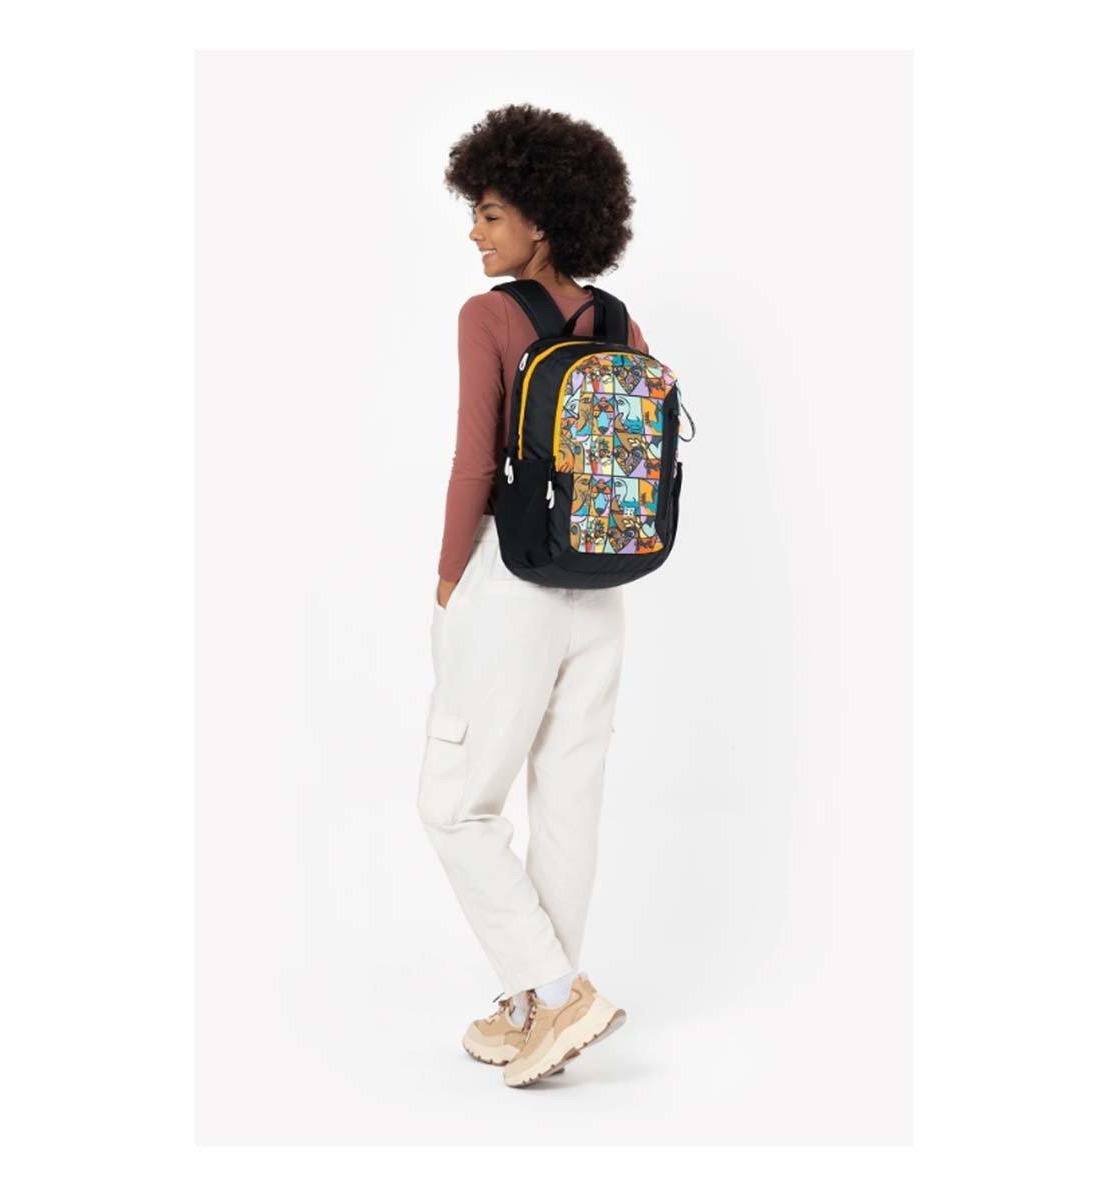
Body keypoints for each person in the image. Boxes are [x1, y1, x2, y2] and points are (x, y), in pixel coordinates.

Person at [416, 104, 648, 1087]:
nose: (476, 233)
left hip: (512, 580)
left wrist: (447, 579)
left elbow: (476, 460)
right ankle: (530, 1008)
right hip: (604, 581)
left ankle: (557, 992)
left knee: (453, 804)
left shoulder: (491, 316)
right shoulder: (618, 322)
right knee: (567, 801)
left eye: (491, 213)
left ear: (541, 220)